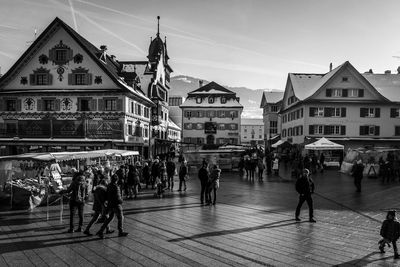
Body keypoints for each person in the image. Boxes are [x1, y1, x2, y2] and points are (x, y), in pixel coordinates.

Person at [97, 174, 128, 239]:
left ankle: (101, 230)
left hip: (110, 204)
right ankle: (120, 231)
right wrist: (121, 201)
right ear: (117, 180)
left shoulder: (109, 185)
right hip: (116, 204)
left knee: (110, 218)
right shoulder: (116, 186)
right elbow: (118, 197)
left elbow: (107, 195)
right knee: (121, 217)